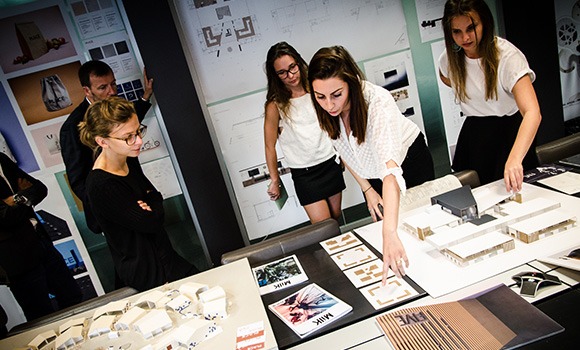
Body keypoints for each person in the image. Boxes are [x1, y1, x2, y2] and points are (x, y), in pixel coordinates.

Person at [308, 46, 434, 282]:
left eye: (336, 94)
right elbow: (345, 150)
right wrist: (367, 189)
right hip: (377, 174)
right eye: (320, 96)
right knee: (386, 232)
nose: (329, 105)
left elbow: (390, 172)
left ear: (351, 83)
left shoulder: (377, 103)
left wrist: (390, 231)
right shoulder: (324, 107)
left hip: (407, 163)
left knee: (413, 228)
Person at [79, 97, 197, 291]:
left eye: (138, 131)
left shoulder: (128, 157)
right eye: (128, 137)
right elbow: (151, 221)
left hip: (166, 257)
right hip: (148, 273)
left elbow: (154, 197)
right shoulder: (102, 185)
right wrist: (151, 201)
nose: (139, 141)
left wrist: (151, 200)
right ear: (102, 141)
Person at [439, 0, 541, 192]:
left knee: (514, 193)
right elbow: (446, 77)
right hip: (476, 132)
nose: (465, 38)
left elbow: (532, 112)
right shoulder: (448, 60)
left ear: (484, 22)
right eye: (456, 32)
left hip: (510, 130)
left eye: (471, 28)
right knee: (479, 196)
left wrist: (514, 159)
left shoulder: (508, 57)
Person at [60, 60, 154, 234]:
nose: (112, 91)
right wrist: (111, 207)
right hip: (112, 208)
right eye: (103, 88)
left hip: (136, 192)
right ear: (87, 90)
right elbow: (78, 180)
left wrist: (145, 97)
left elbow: (125, 127)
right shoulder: (72, 126)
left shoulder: (113, 109)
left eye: (113, 84)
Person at [264, 42, 345, 223]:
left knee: (336, 216)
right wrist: (275, 180)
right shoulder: (275, 104)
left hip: (329, 163)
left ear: (299, 62)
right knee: (324, 226)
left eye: (292, 67)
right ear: (275, 75)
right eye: (282, 72)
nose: (290, 75)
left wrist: (343, 154)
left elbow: (333, 123)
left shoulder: (317, 89)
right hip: (305, 174)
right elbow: (270, 146)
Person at [0, 152, 82, 321]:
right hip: (16, 258)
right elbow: (4, 218)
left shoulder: (2, 159)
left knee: (73, 297)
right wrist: (23, 196)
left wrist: (15, 199)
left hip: (42, 243)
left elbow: (39, 189)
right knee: (41, 317)